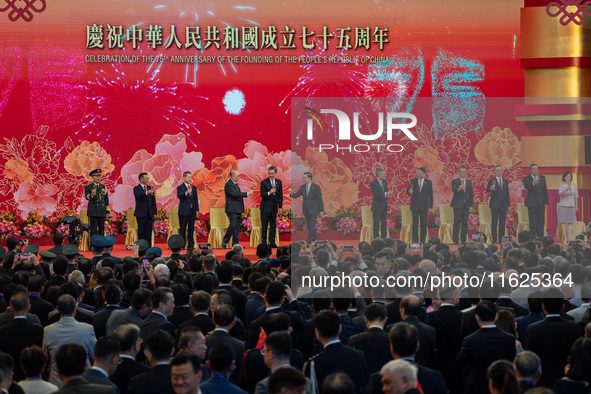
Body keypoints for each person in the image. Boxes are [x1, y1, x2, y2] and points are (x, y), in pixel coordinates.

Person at [457, 301, 516, 394]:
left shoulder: (470, 340)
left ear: (477, 317)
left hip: (476, 386)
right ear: (496, 316)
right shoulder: (509, 338)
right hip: (501, 385)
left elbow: (461, 363)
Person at [43, 294, 97, 389]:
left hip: (57, 382)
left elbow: (44, 357)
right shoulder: (87, 329)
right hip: (83, 381)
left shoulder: (48, 330)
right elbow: (94, 355)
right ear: (74, 309)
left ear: (58, 309)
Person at [111, 324, 150, 394]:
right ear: (135, 345)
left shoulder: (109, 368)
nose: (141, 342)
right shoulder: (145, 372)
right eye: (139, 340)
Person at [289, 172, 324, 245]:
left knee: (312, 224)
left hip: (314, 210)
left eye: (305, 177)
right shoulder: (302, 187)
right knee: (310, 226)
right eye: (303, 177)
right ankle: (315, 241)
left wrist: (321, 210)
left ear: (310, 178)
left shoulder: (316, 187)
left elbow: (319, 199)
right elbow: (296, 195)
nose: (303, 179)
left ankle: (308, 242)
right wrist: (292, 194)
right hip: (306, 210)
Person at [222, 170, 252, 249]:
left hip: (238, 209)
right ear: (232, 176)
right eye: (237, 176)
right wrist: (247, 193)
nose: (238, 177)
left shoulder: (235, 184)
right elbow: (235, 194)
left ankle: (235, 244)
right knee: (233, 224)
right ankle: (225, 241)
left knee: (237, 226)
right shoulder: (229, 184)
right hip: (232, 209)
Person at [405, 167, 433, 244]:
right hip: (415, 206)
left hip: (424, 206)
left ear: (424, 174)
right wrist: (409, 191)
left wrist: (430, 206)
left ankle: (423, 240)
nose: (418, 175)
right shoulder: (413, 181)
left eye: (419, 173)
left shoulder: (428, 182)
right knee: (415, 223)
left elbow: (430, 195)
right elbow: (408, 191)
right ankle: (415, 240)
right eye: (417, 173)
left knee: (424, 224)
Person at [260, 166, 283, 248]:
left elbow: (280, 195)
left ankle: (272, 242)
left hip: (274, 207)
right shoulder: (264, 182)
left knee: (273, 225)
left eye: (273, 174)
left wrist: (280, 207)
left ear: (276, 173)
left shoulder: (279, 182)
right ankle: (264, 242)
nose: (271, 175)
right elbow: (262, 194)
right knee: (264, 224)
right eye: (270, 173)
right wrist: (269, 192)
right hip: (265, 207)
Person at [524, 164, 549, 240]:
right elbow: (527, 186)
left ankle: (541, 236)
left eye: (536, 169)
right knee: (533, 220)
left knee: (541, 220)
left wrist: (546, 202)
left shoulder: (542, 177)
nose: (535, 171)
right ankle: (533, 236)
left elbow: (545, 190)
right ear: (530, 170)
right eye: (533, 169)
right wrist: (533, 182)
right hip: (532, 202)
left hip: (541, 202)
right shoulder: (527, 178)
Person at [486, 165, 510, 244]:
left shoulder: (505, 181)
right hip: (495, 204)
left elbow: (507, 194)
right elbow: (487, 190)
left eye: (500, 170)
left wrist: (508, 204)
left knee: (502, 223)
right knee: (494, 222)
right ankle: (494, 239)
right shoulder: (492, 180)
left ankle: (501, 239)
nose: (499, 172)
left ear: (502, 171)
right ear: (495, 172)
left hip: (503, 205)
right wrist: (491, 188)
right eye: (497, 170)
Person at [450, 166, 473, 244]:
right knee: (456, 222)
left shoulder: (468, 182)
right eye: (461, 172)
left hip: (466, 205)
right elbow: (453, 189)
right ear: (459, 173)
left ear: (466, 172)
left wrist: (471, 205)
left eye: (464, 172)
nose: (463, 173)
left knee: (465, 222)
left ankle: (463, 239)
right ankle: (456, 239)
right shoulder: (455, 181)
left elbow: (471, 194)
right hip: (457, 205)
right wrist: (458, 189)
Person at [177, 171, 199, 250]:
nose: (190, 179)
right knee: (182, 229)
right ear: (184, 178)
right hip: (183, 211)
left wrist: (196, 209)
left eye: (191, 177)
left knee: (191, 229)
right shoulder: (180, 187)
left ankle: (191, 245)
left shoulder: (194, 187)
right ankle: (182, 245)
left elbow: (195, 199)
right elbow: (179, 196)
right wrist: (186, 192)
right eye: (189, 177)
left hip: (192, 211)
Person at [133, 172, 157, 247]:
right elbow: (138, 196)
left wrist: (155, 212)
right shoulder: (137, 188)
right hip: (141, 213)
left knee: (149, 231)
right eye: (146, 178)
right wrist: (146, 193)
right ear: (141, 179)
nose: (147, 179)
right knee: (141, 231)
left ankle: (148, 246)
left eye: (148, 178)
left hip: (149, 213)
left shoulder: (150, 188)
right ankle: (141, 246)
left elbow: (153, 201)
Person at [85, 169, 110, 236]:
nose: (98, 178)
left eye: (99, 176)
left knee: (102, 229)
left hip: (102, 211)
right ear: (92, 177)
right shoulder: (89, 187)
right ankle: (93, 246)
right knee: (93, 230)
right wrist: (91, 195)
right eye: (96, 176)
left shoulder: (103, 187)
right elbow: (86, 197)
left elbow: (106, 200)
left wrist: (107, 212)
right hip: (93, 211)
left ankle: (101, 245)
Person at [370, 168, 392, 240]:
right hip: (377, 207)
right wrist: (386, 193)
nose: (385, 175)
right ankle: (376, 239)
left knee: (384, 224)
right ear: (379, 175)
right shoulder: (373, 183)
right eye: (383, 174)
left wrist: (386, 195)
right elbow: (376, 195)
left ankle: (384, 238)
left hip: (384, 206)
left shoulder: (384, 182)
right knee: (376, 224)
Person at [558, 170, 578, 244]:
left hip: (571, 204)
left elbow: (576, 196)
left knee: (570, 222)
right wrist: (565, 190)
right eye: (567, 176)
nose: (568, 178)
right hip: (563, 204)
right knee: (563, 222)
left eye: (569, 176)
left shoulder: (573, 185)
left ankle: (569, 238)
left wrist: (576, 205)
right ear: (564, 177)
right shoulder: (561, 185)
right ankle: (565, 237)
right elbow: (560, 194)